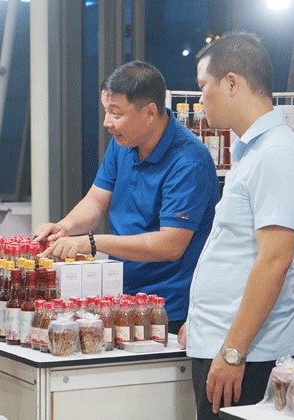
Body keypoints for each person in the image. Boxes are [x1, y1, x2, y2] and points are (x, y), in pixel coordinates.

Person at [178, 32, 294, 419]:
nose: (200, 98)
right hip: (227, 347)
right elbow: (236, 252)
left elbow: (274, 260)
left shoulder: (276, 154)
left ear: (232, 83)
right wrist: (203, 320)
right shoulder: (252, 152)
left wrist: (233, 350)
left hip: (247, 357)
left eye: (204, 87)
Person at [33, 61, 220, 334]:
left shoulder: (189, 161)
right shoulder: (123, 143)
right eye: (106, 111)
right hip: (121, 298)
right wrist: (64, 227)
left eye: (116, 113)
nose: (107, 123)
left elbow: (170, 245)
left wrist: (92, 243)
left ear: (150, 112)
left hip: (168, 309)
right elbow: (97, 200)